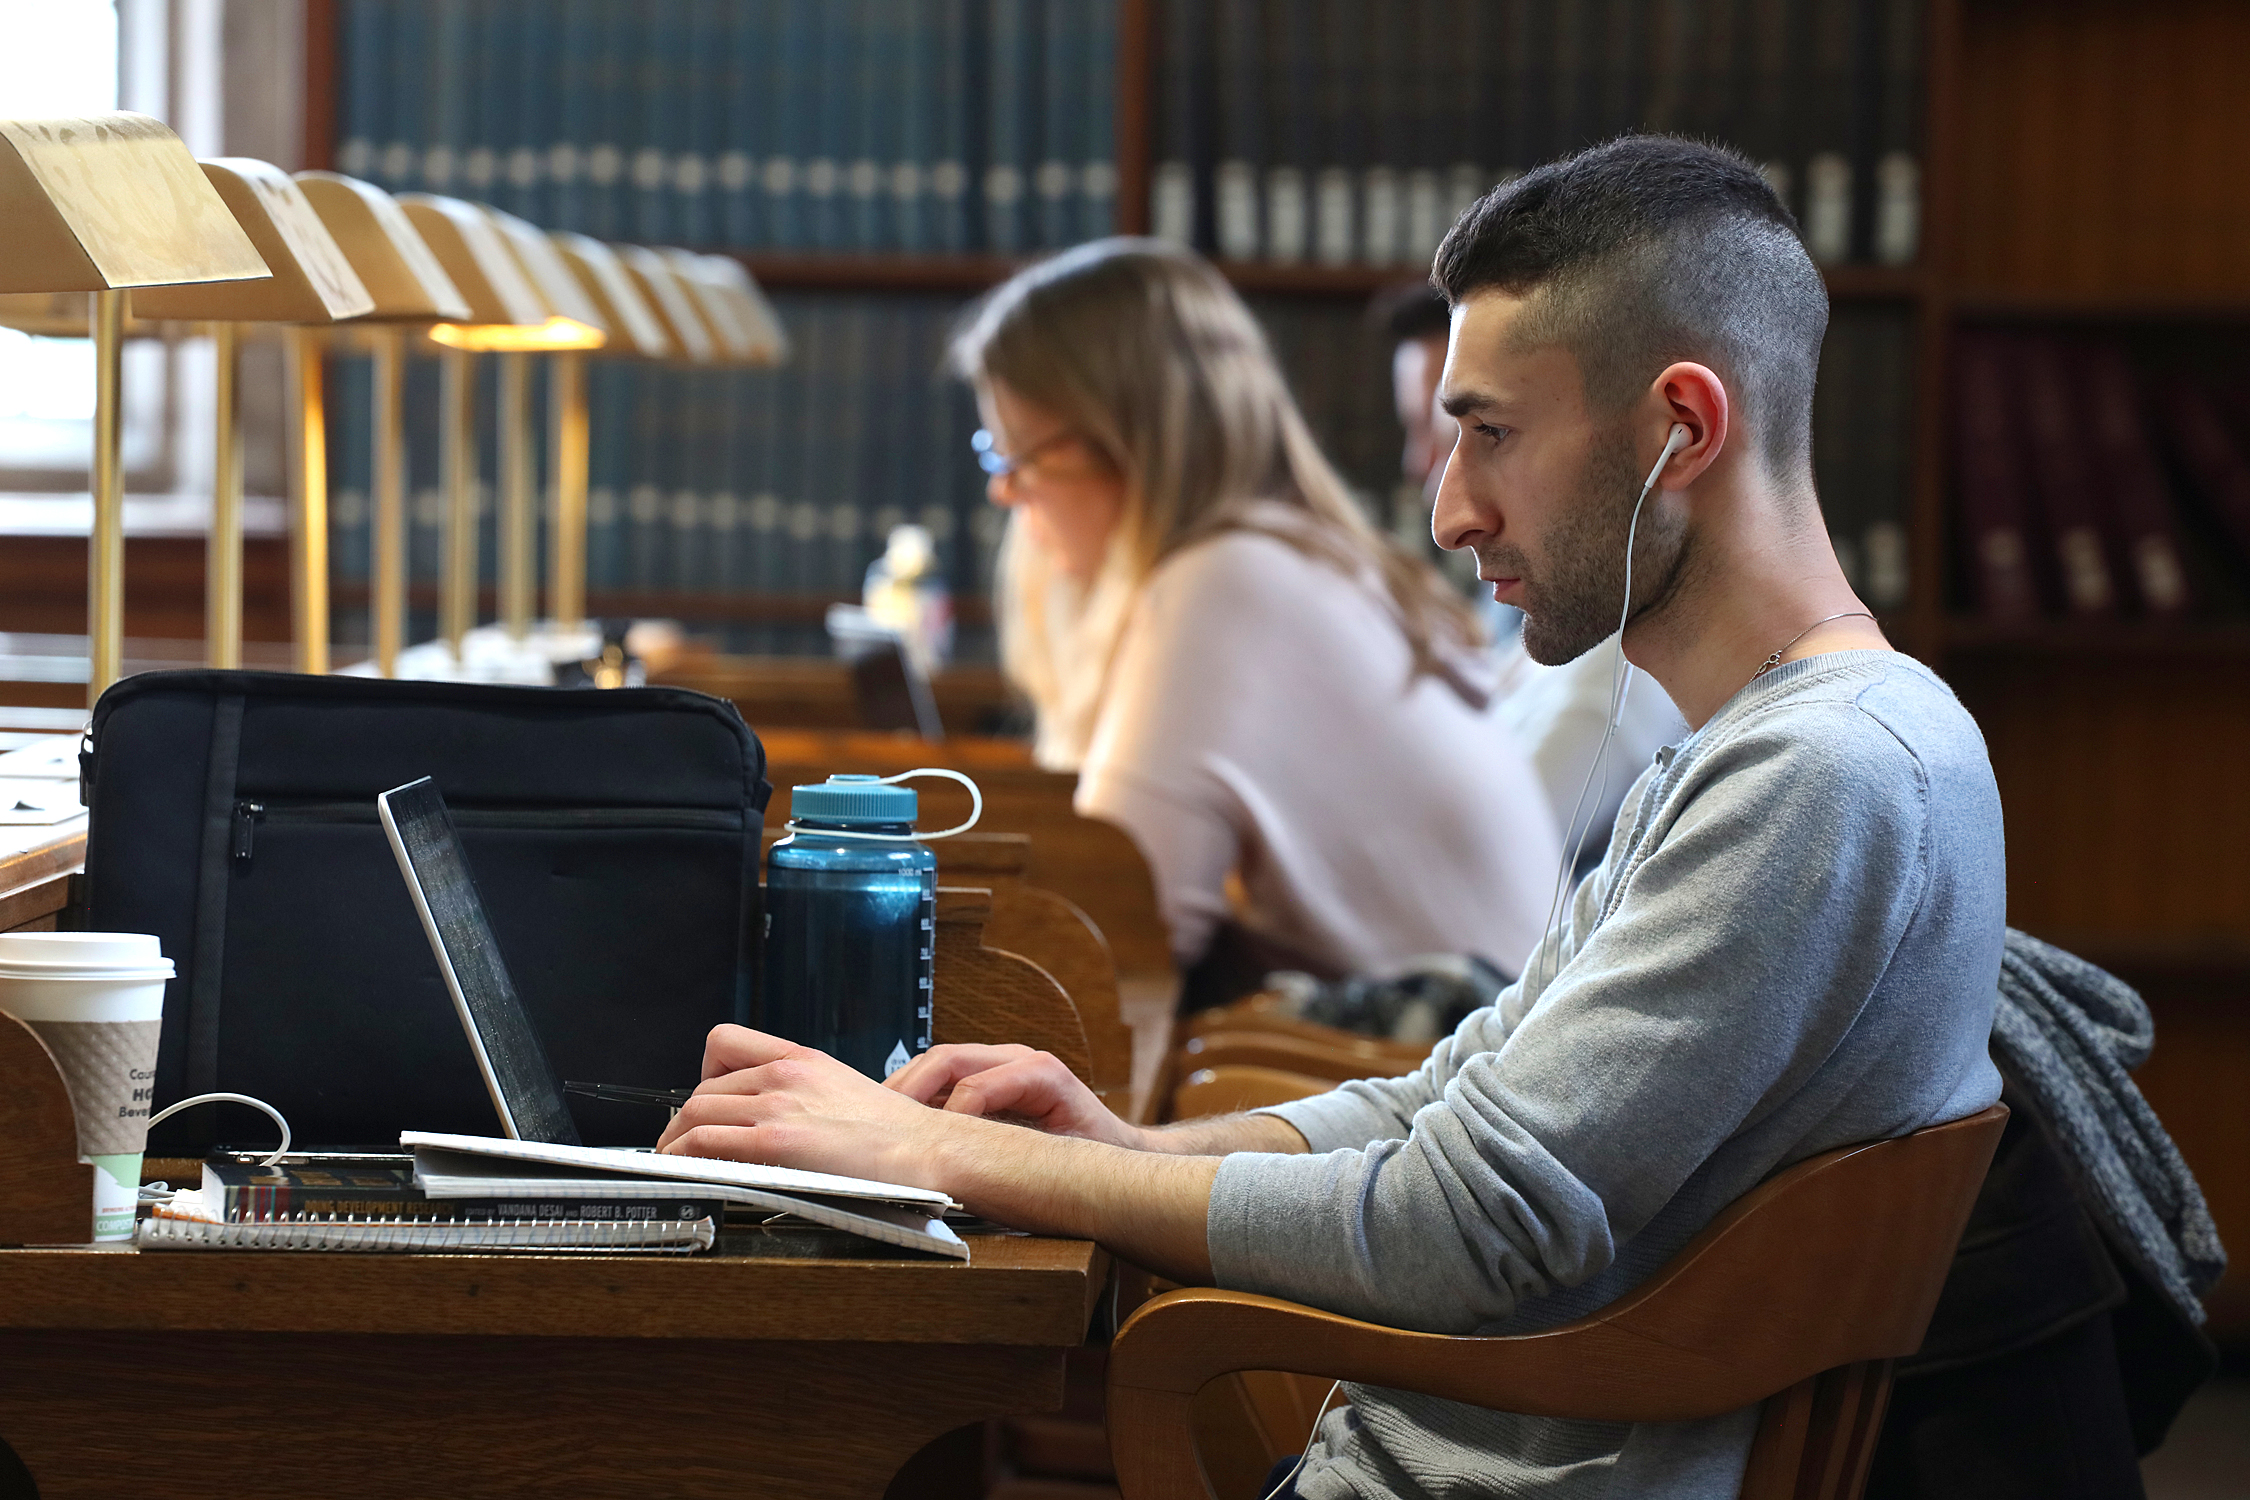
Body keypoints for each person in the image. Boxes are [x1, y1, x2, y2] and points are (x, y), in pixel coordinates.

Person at [659, 136, 2006, 1500]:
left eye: (1489, 435)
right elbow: (1450, 1103)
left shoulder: (1821, 778)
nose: (1448, 508)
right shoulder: (1776, 750)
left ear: (1683, 430)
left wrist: (947, 1153)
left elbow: (1471, 1225)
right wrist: (1120, 1149)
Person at [954, 239, 1561, 989]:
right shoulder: (1292, 559)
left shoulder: (1224, 582)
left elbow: (1115, 933)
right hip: (1456, 1051)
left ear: (1124, 439)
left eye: (1019, 458)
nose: (1004, 494)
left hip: (1438, 1066)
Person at [1383, 284, 1691, 867]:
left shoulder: (1625, 668)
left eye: (1487, 432)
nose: (1437, 502)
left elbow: (1472, 858)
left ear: (1676, 433)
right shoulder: (1527, 624)